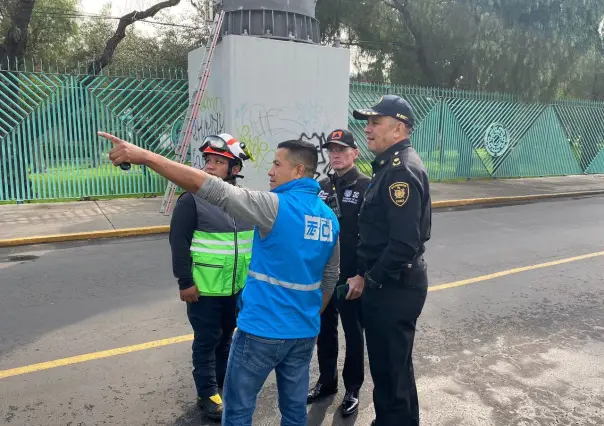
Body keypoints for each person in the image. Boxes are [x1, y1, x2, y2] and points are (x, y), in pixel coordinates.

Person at [97, 131, 340, 426]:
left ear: (298, 170)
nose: (269, 170)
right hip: (303, 332)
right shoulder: (328, 217)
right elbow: (330, 278)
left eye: (277, 164)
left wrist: (146, 156)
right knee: (293, 411)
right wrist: (310, 316)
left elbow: (212, 189)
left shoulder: (274, 206)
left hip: (261, 330)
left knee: (237, 410)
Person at [348, 95, 432, 426]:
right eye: (367, 122)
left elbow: (404, 243)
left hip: (393, 288)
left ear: (398, 129)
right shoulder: (389, 167)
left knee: (388, 370)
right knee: (395, 368)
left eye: (374, 123)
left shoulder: (400, 173)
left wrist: (370, 279)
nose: (366, 129)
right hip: (392, 284)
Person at [168, 133, 254, 421]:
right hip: (203, 290)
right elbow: (178, 244)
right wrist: (185, 282)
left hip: (236, 289)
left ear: (235, 169)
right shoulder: (191, 200)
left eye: (218, 161)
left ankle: (219, 384)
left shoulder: (244, 202)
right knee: (206, 341)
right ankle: (207, 394)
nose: (209, 166)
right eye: (208, 160)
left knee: (227, 339)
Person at [307, 129, 370, 416]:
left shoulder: (365, 186)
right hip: (324, 275)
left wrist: (362, 275)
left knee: (353, 333)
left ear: (355, 154)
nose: (336, 154)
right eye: (331, 150)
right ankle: (327, 381)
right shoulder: (321, 186)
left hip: (350, 277)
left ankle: (353, 389)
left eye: (342, 150)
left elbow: (371, 236)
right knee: (325, 331)